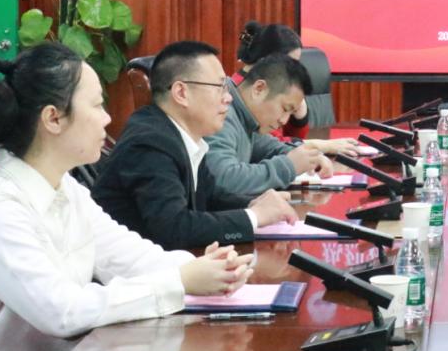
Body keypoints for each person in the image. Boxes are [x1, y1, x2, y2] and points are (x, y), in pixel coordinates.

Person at [0, 44, 252, 351]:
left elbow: (126, 256)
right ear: (53, 118)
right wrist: (179, 281)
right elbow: (61, 312)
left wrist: (203, 268)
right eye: (96, 105)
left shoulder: (65, 188)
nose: (107, 118)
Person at [92, 41, 297, 250]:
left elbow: (210, 196)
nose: (228, 98)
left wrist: (253, 204)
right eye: (219, 87)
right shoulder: (150, 143)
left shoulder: (182, 135)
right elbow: (174, 228)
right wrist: (253, 217)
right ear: (181, 93)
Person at [207, 54, 335, 196]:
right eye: (285, 109)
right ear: (259, 89)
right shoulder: (223, 114)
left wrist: (307, 156)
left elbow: (268, 147)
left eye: (291, 113)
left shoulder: (247, 117)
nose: (284, 121)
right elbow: (223, 181)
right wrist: (289, 166)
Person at [234, 20, 357, 157]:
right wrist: (324, 146)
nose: (294, 70)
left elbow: (286, 141)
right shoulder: (244, 91)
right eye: (290, 62)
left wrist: (299, 117)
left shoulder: (274, 85)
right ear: (268, 59)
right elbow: (269, 146)